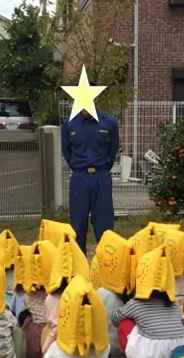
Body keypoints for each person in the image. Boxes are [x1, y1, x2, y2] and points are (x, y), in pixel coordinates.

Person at [61, 92, 120, 254]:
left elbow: (112, 150)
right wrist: (78, 167)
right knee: (77, 223)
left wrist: (102, 168)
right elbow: (67, 152)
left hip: (101, 176)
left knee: (104, 223)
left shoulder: (109, 123)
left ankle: (106, 262)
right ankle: (79, 264)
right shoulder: (69, 124)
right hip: (79, 177)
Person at [112, 247, 184, 358]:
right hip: (179, 349)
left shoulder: (137, 304)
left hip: (153, 352)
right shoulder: (173, 303)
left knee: (124, 323)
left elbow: (116, 318)